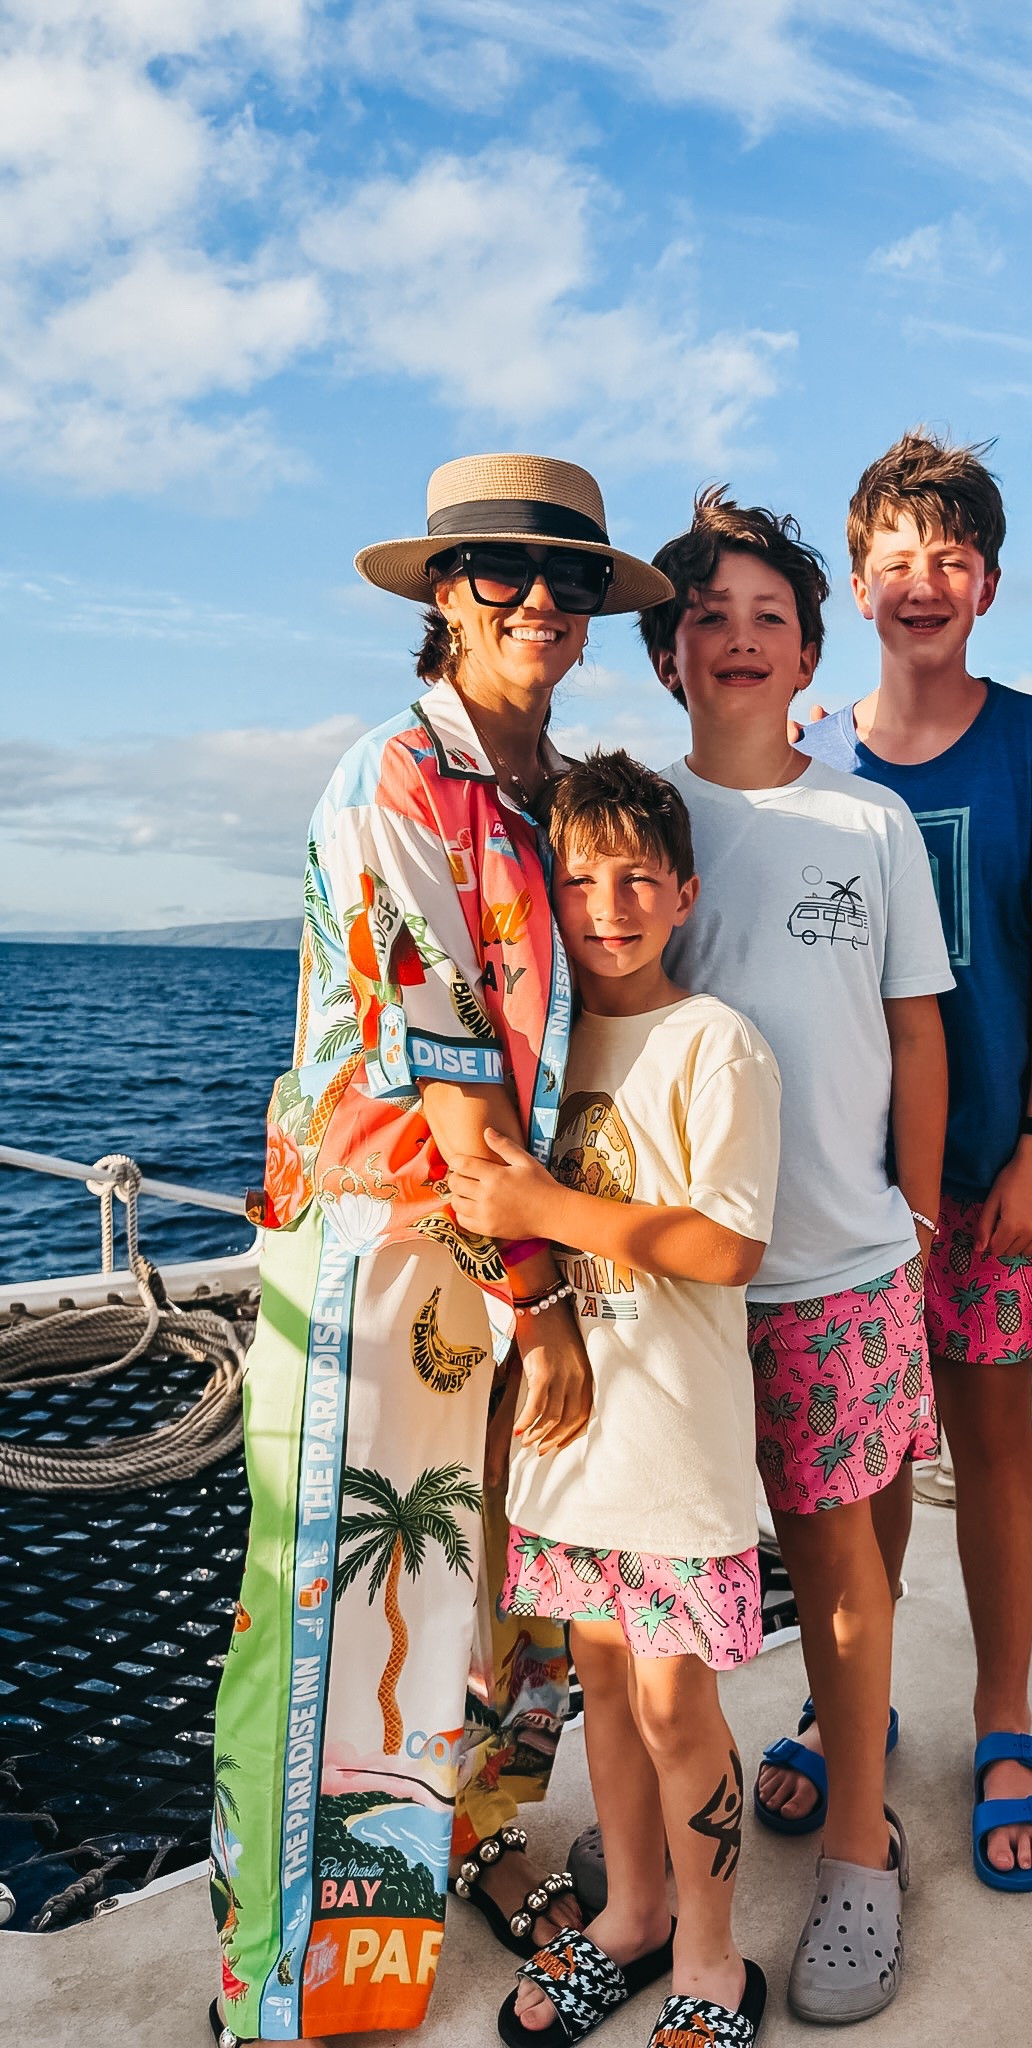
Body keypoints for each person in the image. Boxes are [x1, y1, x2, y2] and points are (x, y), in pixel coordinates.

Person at [210, 455, 673, 2045]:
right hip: (397, 1256)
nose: (536, 600)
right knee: (343, 1617)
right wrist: (542, 1310)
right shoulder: (394, 781)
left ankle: (468, 1846)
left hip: (536, 1247)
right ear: (440, 594)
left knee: (519, 1602)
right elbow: (454, 1086)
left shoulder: (563, 791)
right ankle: (290, 1994)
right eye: (495, 570)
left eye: (565, 578)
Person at [642, 489, 952, 2026]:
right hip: (674, 1281)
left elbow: (914, 1023)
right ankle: (665, 1886)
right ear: (666, 657)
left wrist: (919, 1203)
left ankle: (857, 1843)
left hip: (841, 1261)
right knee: (664, 1594)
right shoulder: (629, 816)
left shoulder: (867, 820)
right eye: (709, 618)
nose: (741, 639)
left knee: (842, 1571)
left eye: (770, 617)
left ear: (810, 650)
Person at [794, 429, 1032, 1893]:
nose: (923, 584)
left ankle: (1003, 1713)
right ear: (858, 584)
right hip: (844, 1188)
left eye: (951, 560)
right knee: (858, 1462)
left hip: (985, 1173)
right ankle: (847, 1704)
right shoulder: (814, 758)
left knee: (988, 1433)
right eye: (896, 560)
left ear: (986, 582)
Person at [444, 750, 779, 2047]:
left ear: (684, 893)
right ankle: (631, 1912)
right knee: (599, 1685)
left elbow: (726, 1245)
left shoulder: (716, 1045)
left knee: (674, 1706)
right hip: (566, 1461)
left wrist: (543, 1206)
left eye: (637, 877)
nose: (606, 904)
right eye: (576, 879)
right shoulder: (543, 1052)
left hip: (676, 1462)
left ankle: (711, 1958)